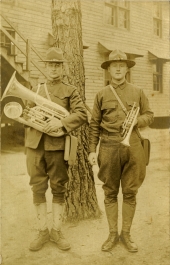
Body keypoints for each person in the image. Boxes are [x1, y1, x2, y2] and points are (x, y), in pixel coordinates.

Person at [88, 49, 154, 253]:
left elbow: (149, 115)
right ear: (108, 70)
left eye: (121, 65)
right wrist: (92, 149)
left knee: (130, 192)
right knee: (109, 193)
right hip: (108, 147)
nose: (117, 68)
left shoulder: (138, 92)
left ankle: (126, 234)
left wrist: (137, 120)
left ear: (127, 69)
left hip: (133, 146)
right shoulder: (101, 94)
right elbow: (94, 125)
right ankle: (111, 234)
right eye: (113, 65)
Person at [25, 47, 87, 251]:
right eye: (50, 65)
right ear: (45, 67)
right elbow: (26, 115)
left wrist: (61, 124)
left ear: (62, 68)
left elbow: (81, 114)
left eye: (57, 65)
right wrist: (29, 115)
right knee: (37, 186)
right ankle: (43, 231)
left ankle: (56, 230)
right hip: (35, 145)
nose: (53, 69)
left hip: (57, 146)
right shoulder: (35, 89)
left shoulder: (70, 90)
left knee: (58, 186)